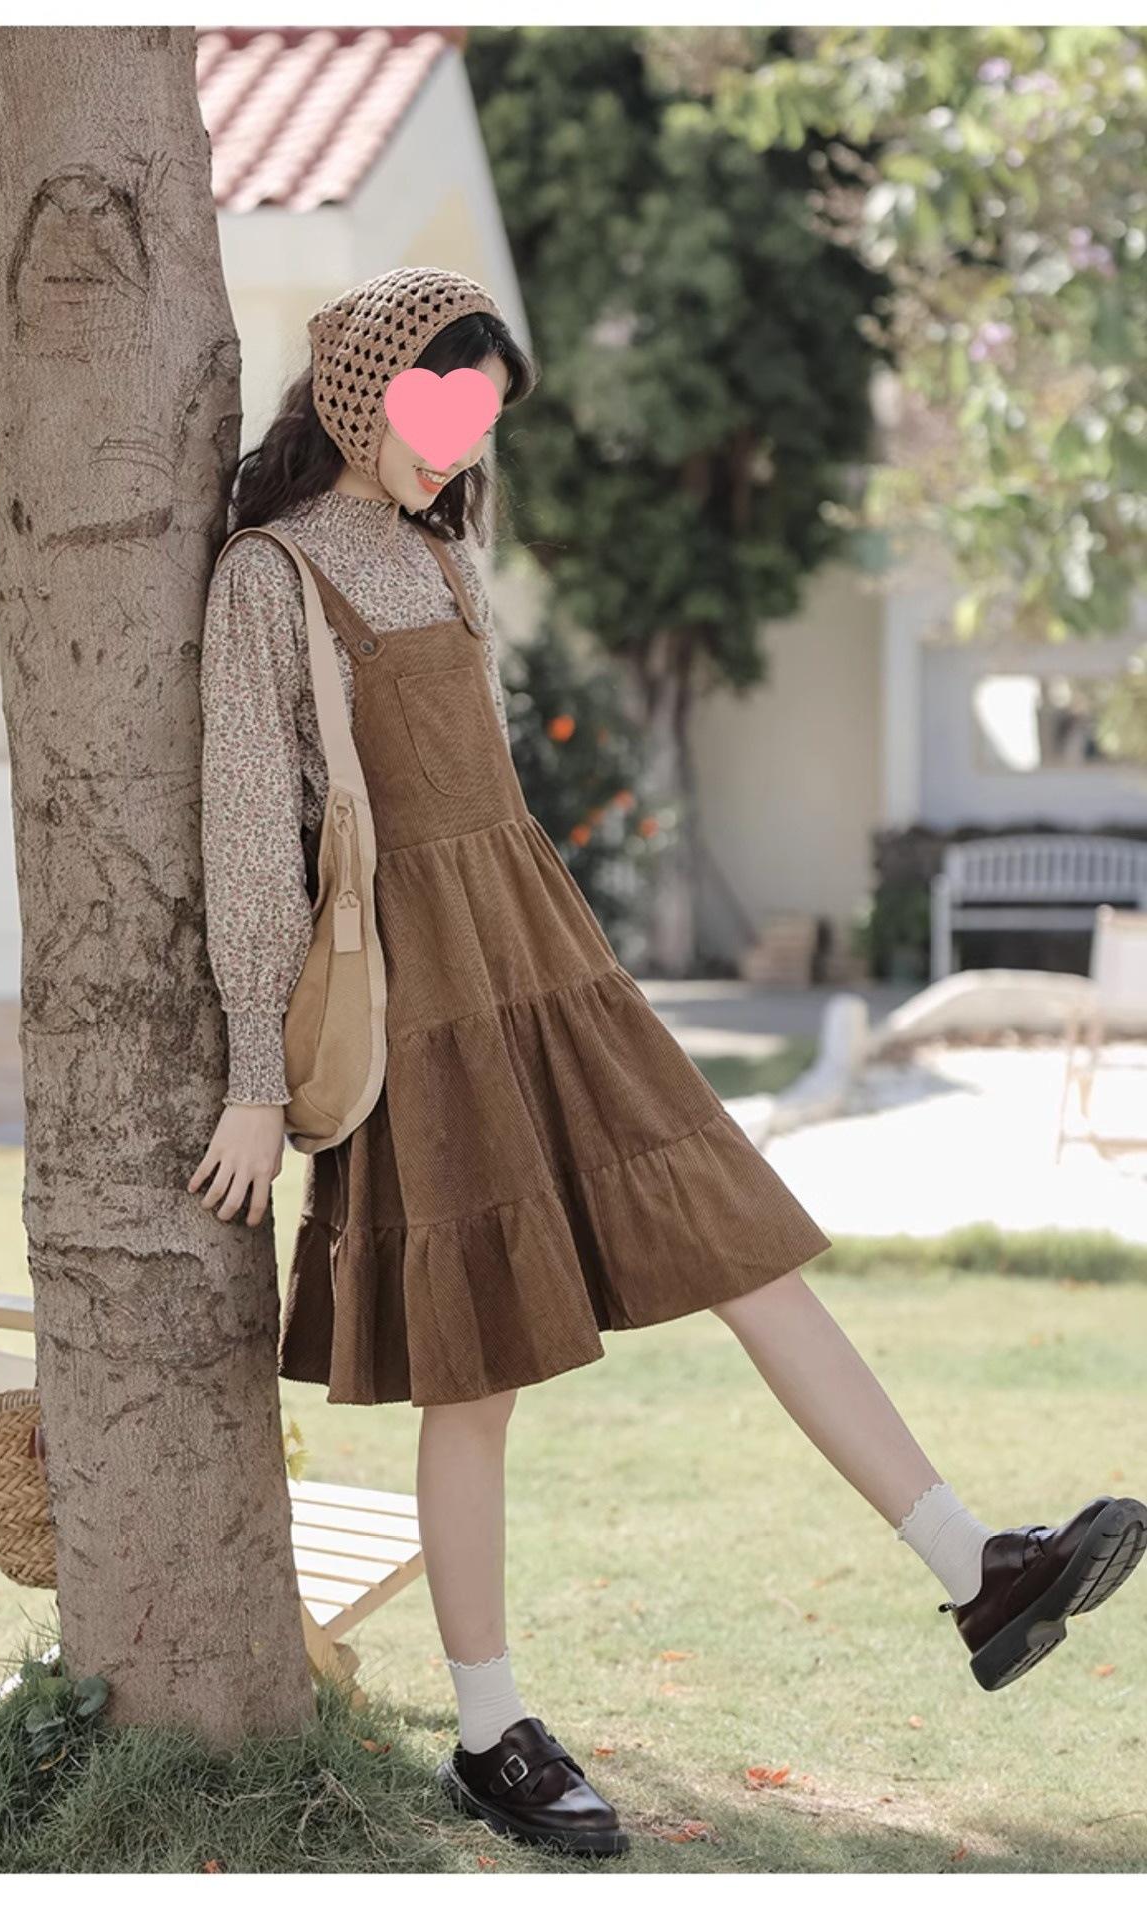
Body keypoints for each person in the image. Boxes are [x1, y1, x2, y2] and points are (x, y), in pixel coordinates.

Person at [188, 266, 1147, 1860]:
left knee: (744, 1241)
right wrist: (248, 1077)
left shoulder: (448, 550)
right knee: (477, 1372)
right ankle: (489, 1733)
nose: (458, 442)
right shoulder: (268, 578)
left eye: (480, 417)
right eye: (437, 406)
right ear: (361, 392)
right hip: (419, 998)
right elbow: (244, 844)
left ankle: (977, 1567)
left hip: (544, 956)